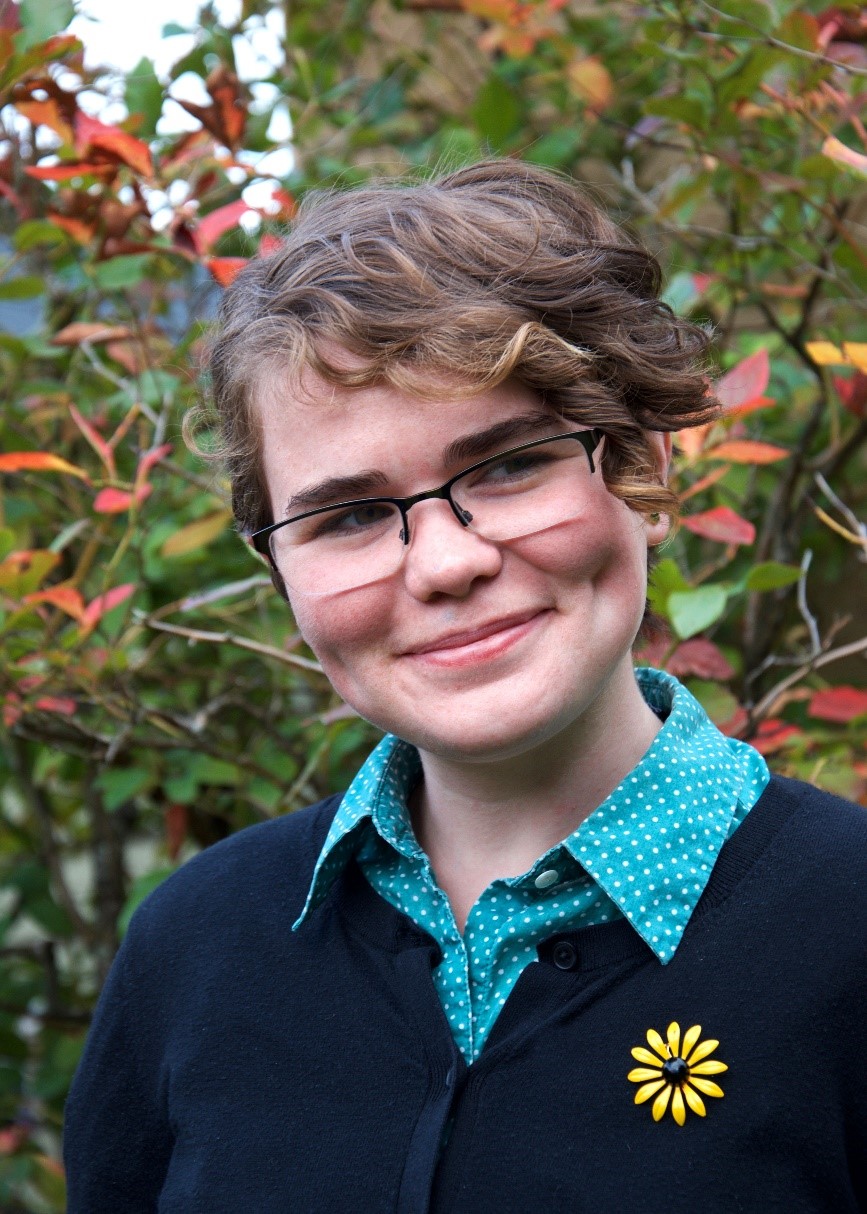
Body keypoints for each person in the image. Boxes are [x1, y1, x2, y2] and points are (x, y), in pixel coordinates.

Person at [64, 160, 867, 1212]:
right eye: (350, 516)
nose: (446, 563)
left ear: (643, 467)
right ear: (281, 575)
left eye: (509, 465)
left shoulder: (847, 930)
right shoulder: (193, 948)